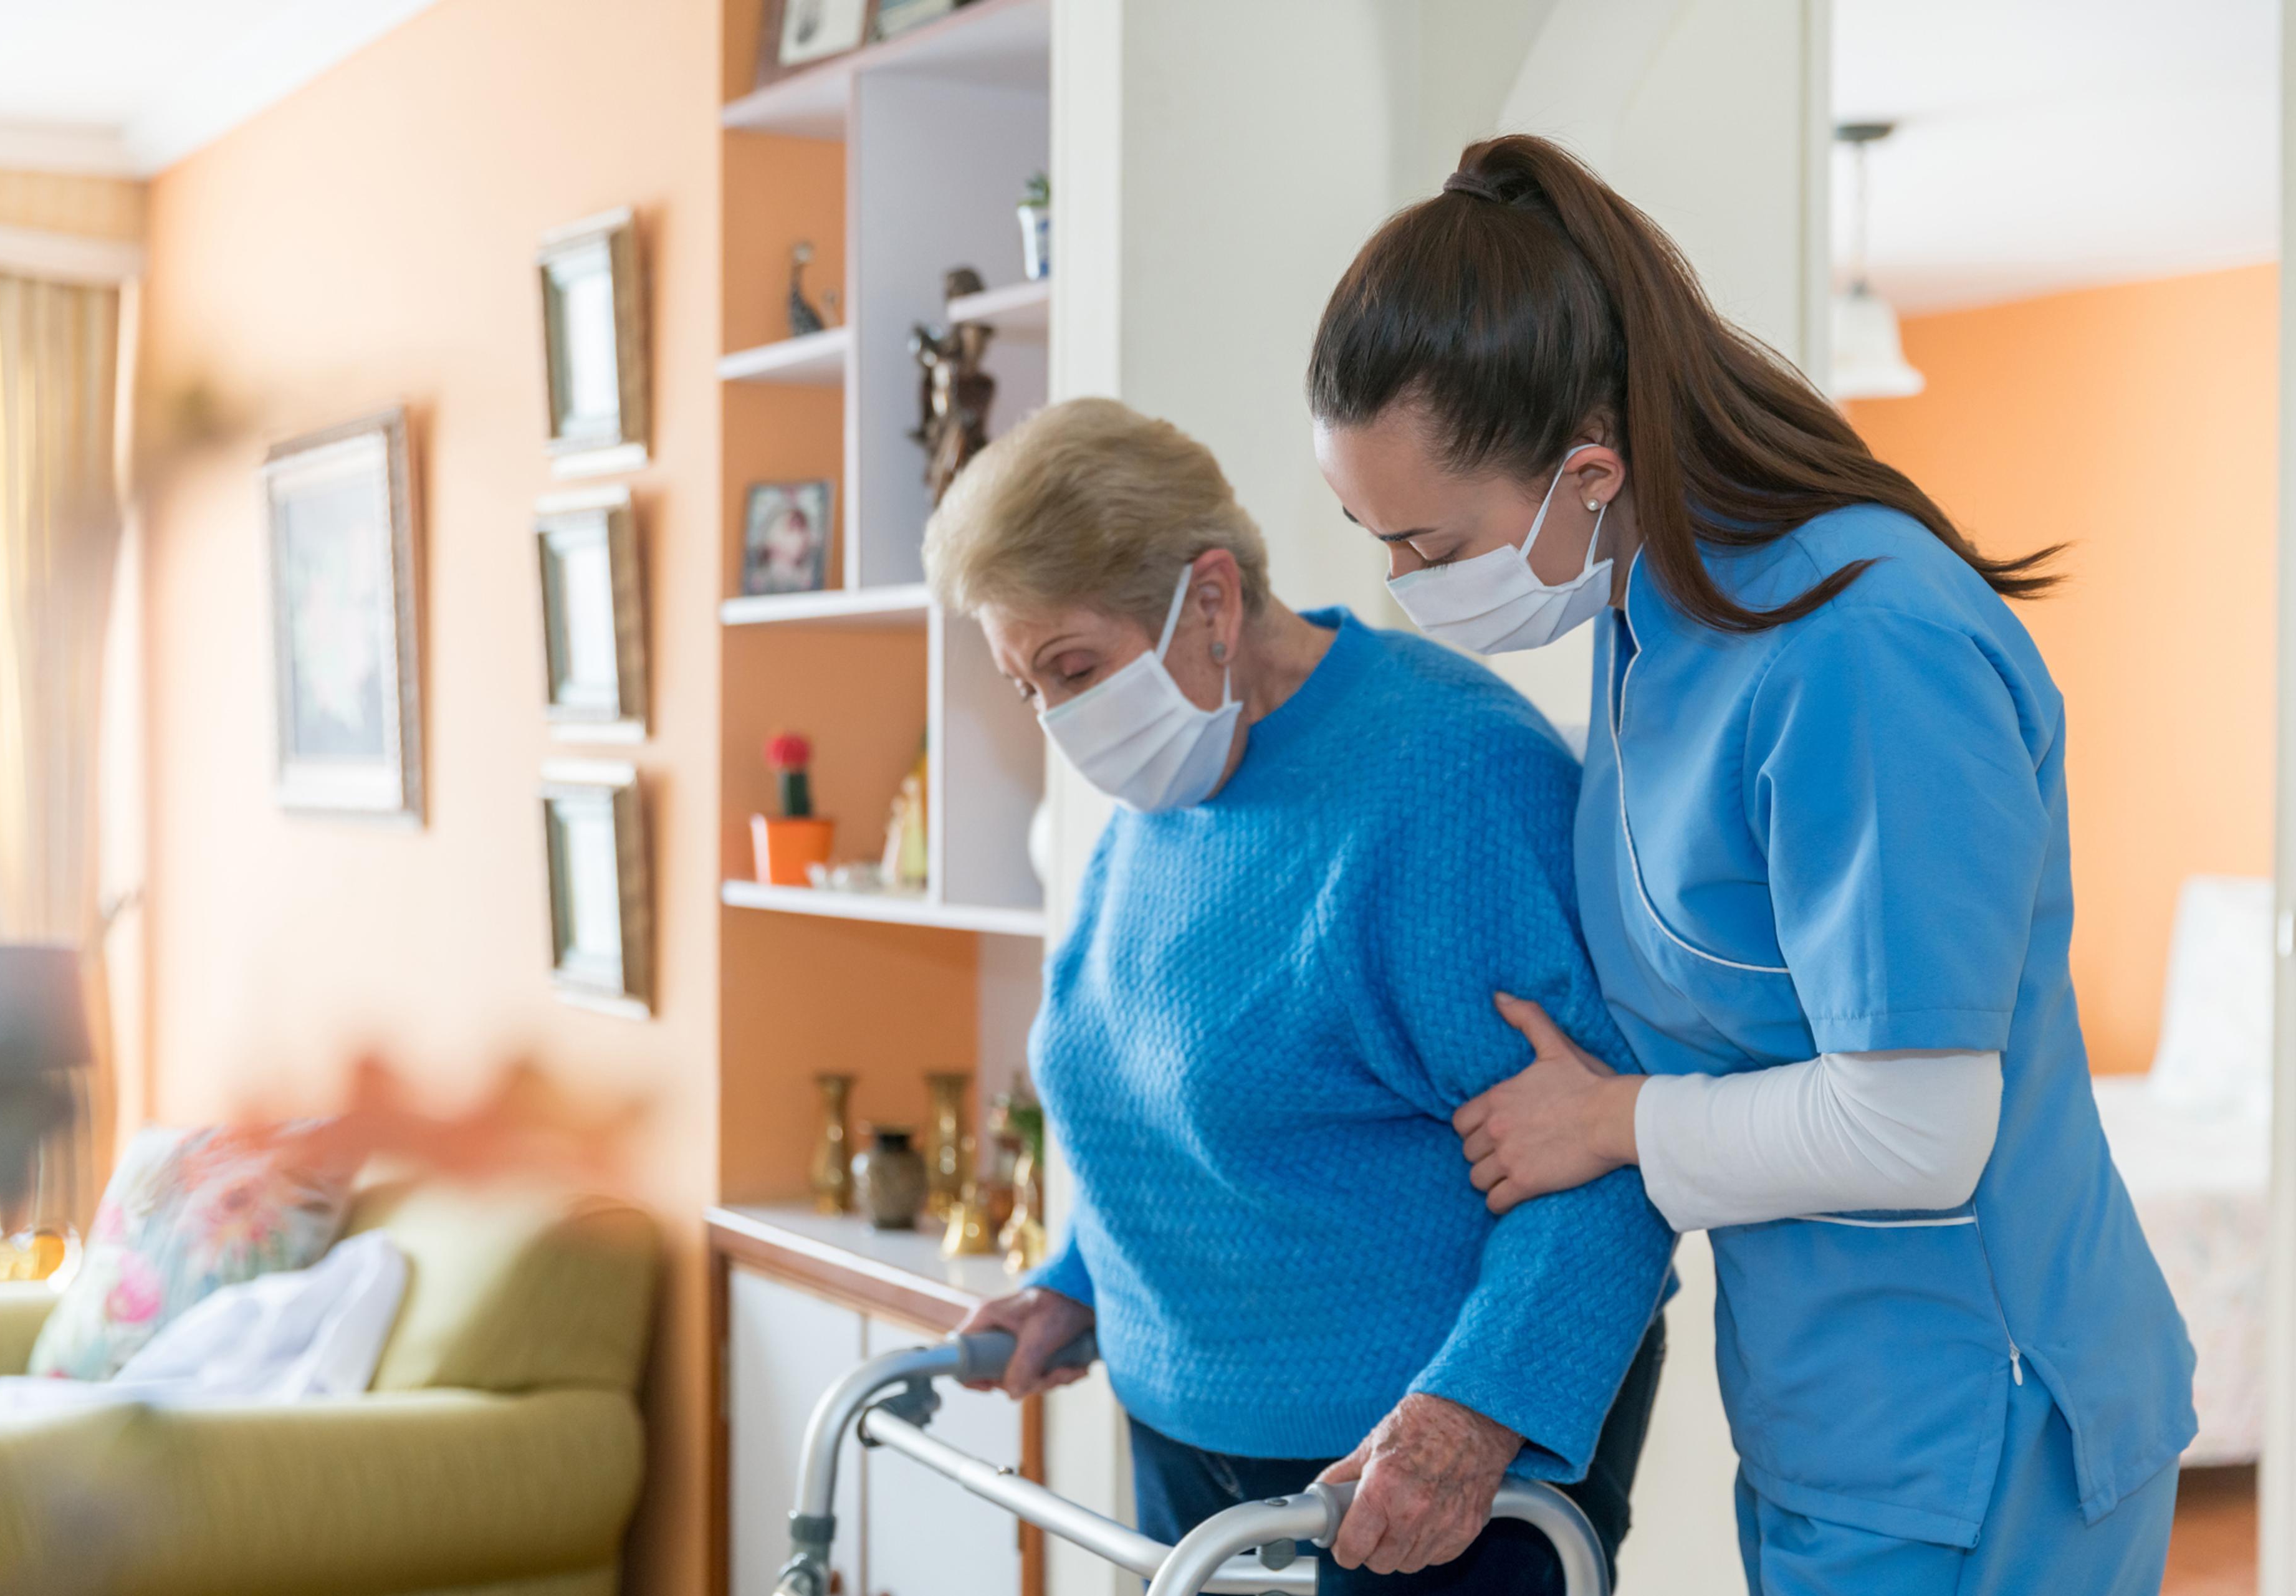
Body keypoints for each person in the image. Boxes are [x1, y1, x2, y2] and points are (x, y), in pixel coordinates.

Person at [1308, 134, 2197, 1596]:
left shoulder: (1865, 647)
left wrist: (1614, 1125)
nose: (1402, 588)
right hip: (1826, 1408)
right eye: (1373, 537)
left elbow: (1921, 1127)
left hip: (1980, 1411)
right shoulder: (1649, 606)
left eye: (1426, 542)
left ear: (1587, 472)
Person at [926, 397, 1673, 1593]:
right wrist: (1078, 1282)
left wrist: (1467, 1419)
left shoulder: (1449, 776)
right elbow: (1168, 1096)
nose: (1061, 720)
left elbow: (1605, 1166)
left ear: (1211, 600)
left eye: (1071, 667)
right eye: (1026, 687)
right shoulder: (1171, 792)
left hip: (1412, 1482)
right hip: (1188, 1456)